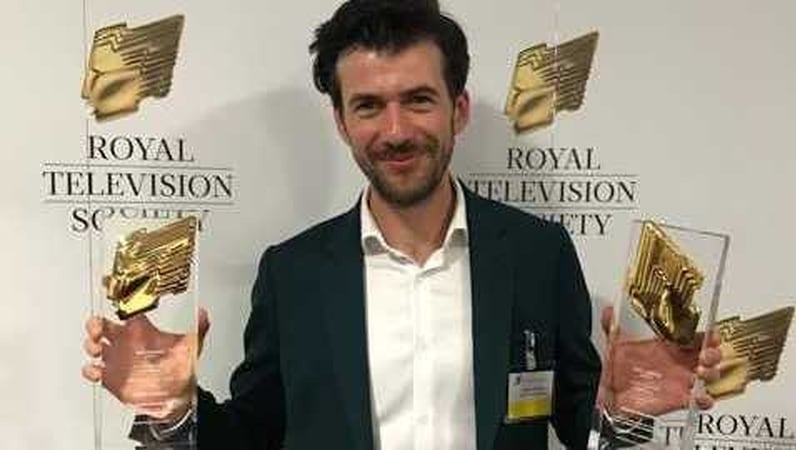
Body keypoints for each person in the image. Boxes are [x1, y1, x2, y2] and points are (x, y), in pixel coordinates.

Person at [83, 1, 718, 449]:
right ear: (340, 122)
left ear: (458, 109)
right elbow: (256, 434)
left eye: (418, 99)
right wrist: (171, 412)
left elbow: (580, 420)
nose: (395, 131)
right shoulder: (293, 271)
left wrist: (626, 411)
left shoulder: (536, 252)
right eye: (368, 106)